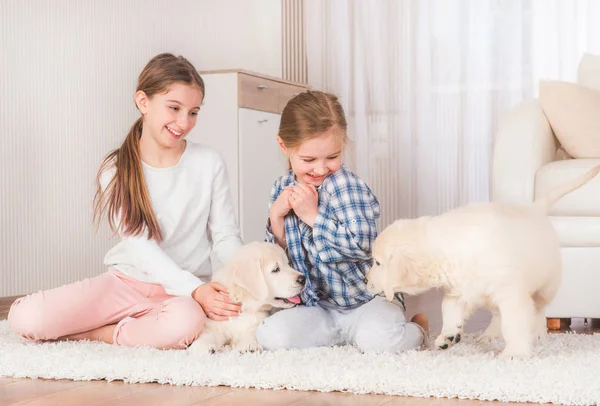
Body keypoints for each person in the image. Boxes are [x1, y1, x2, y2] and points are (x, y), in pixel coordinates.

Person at [8, 53, 243, 350]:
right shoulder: (116, 169)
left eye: (193, 112)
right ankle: (126, 328)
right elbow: (141, 248)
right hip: (125, 283)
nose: (184, 122)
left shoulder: (209, 162)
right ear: (143, 101)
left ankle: (103, 334)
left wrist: (245, 274)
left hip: (181, 294)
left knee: (185, 325)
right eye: (174, 108)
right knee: (25, 318)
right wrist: (197, 290)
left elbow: (225, 236)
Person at [256, 90, 428, 353]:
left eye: (332, 157)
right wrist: (276, 216)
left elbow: (361, 246)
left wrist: (312, 216)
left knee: (379, 341)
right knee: (271, 335)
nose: (321, 169)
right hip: (318, 307)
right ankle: (339, 335)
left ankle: (418, 329)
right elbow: (280, 260)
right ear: (284, 146)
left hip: (366, 301)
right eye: (309, 159)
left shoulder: (347, 186)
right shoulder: (282, 188)